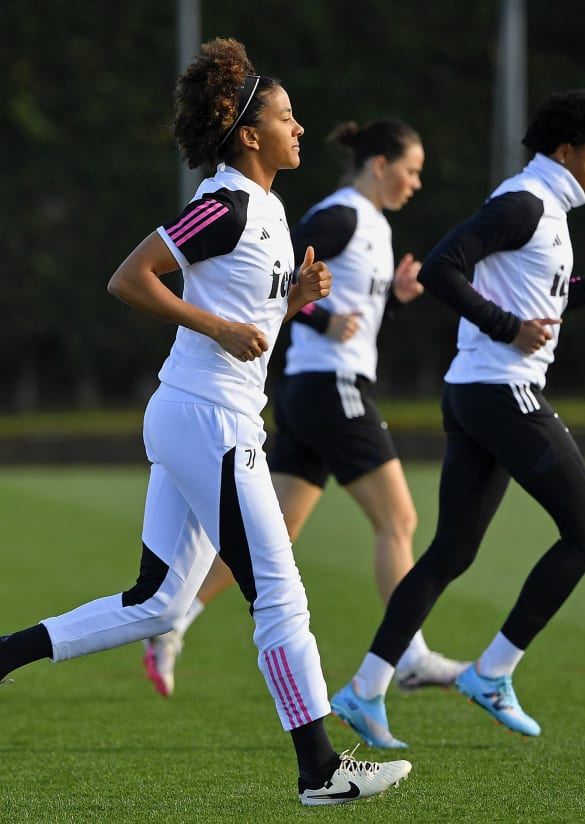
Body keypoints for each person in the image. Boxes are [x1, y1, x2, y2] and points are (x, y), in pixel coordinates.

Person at [0, 37, 411, 806]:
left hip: (210, 418)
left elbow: (246, 319)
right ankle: (320, 770)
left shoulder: (267, 206)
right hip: (205, 421)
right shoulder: (221, 205)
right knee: (281, 593)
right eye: (286, 118)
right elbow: (130, 278)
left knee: (157, 602)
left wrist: (289, 303)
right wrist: (216, 328)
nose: (300, 127)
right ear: (250, 135)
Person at [328, 88, 585, 747]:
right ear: (565, 151)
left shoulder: (547, 207)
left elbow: (534, 308)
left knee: (451, 551)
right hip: (501, 394)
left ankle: (364, 689)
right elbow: (444, 268)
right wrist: (503, 327)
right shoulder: (525, 202)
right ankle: (493, 672)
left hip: (476, 392)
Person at [142, 119, 468, 703]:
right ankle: (410, 654)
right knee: (399, 521)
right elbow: (280, 285)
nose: (416, 183)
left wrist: (392, 298)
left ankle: (176, 621)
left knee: (277, 532)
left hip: (313, 391)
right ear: (378, 165)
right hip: (329, 387)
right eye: (411, 170)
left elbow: (342, 307)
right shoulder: (339, 216)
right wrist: (317, 316)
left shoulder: (375, 226)